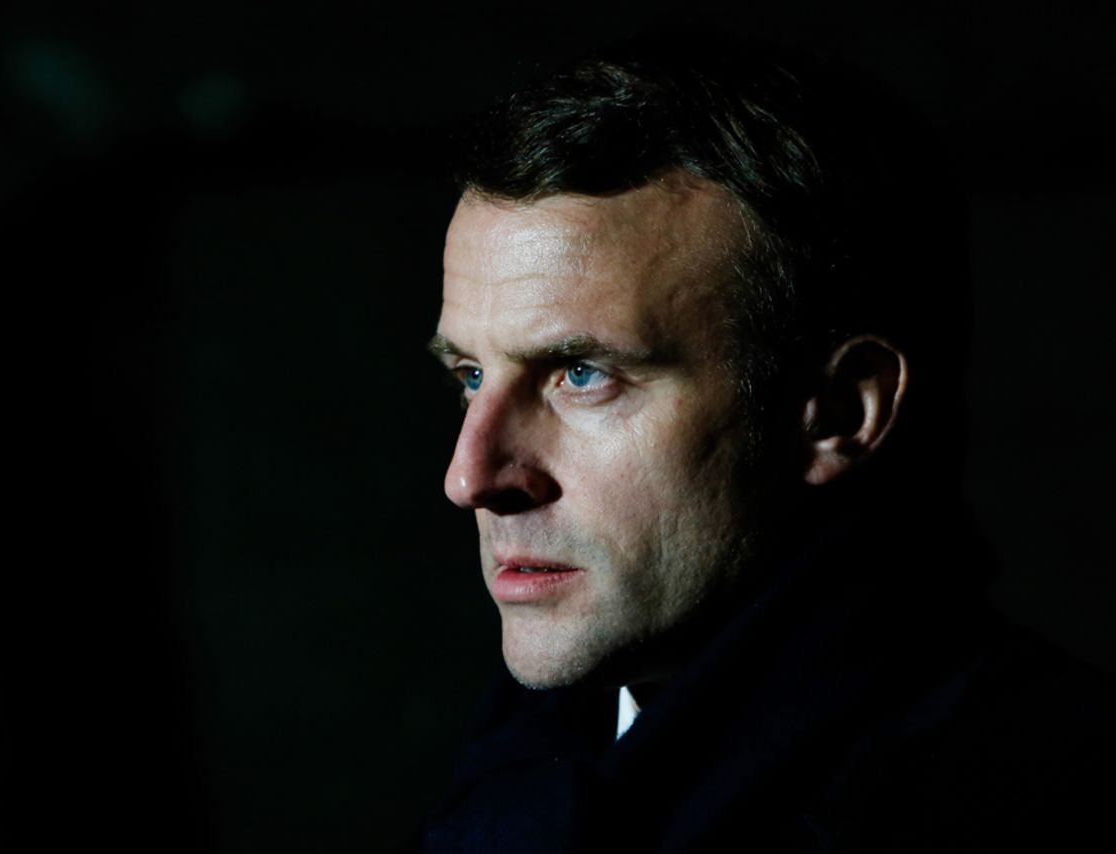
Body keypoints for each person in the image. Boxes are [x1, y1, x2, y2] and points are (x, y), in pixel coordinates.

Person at [415, 35, 1116, 853]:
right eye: (469, 375)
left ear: (840, 413)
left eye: (580, 374)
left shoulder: (1049, 800)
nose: (470, 477)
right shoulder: (524, 768)